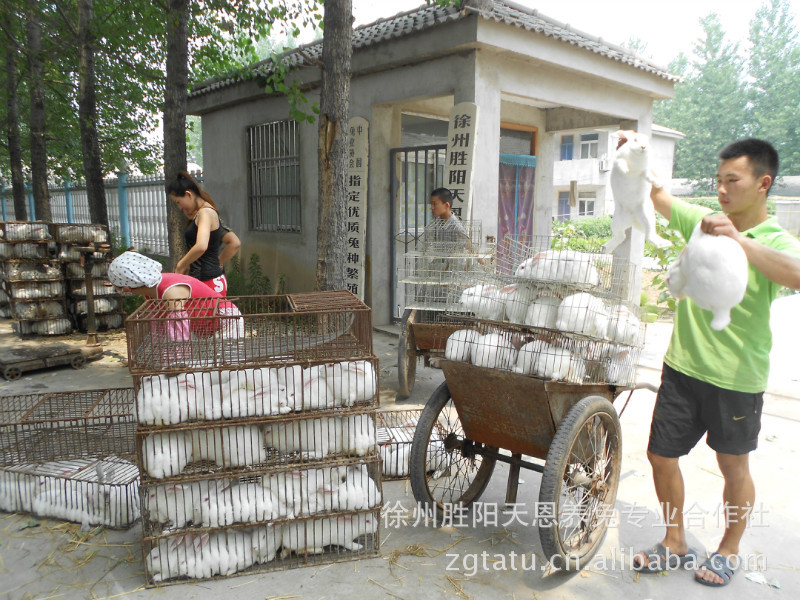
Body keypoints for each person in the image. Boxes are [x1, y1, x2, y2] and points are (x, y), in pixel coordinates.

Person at [626, 134, 800, 587]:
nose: (722, 190)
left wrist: (739, 240)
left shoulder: (776, 240)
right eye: (718, 180)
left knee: (732, 465)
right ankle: (675, 541)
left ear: (763, 183)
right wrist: (636, 151)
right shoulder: (704, 222)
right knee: (661, 456)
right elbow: (658, 196)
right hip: (683, 367)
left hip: (737, 377)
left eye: (732, 180)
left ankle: (728, 549)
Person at [108, 251, 243, 343]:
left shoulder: (170, 293)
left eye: (119, 287)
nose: (121, 291)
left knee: (225, 367)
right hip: (203, 327)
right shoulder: (150, 293)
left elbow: (179, 333)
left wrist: (176, 363)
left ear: (127, 284)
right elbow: (160, 327)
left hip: (224, 321)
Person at [166, 171, 241, 296]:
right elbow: (234, 241)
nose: (179, 208)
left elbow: (201, 246)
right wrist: (217, 262)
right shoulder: (206, 212)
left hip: (208, 281)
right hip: (207, 280)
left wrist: (181, 265)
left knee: (206, 315)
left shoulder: (204, 213)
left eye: (178, 202)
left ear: (188, 195)